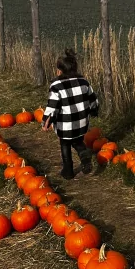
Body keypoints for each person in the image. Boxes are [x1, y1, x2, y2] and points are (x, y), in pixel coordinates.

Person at [41, 48, 98, 179]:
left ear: (59, 71)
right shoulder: (84, 82)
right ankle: (84, 154)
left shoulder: (56, 85)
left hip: (66, 125)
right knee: (78, 140)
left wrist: (46, 121)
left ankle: (68, 170)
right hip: (82, 122)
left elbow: (52, 106)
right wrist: (94, 110)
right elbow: (93, 99)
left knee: (65, 144)